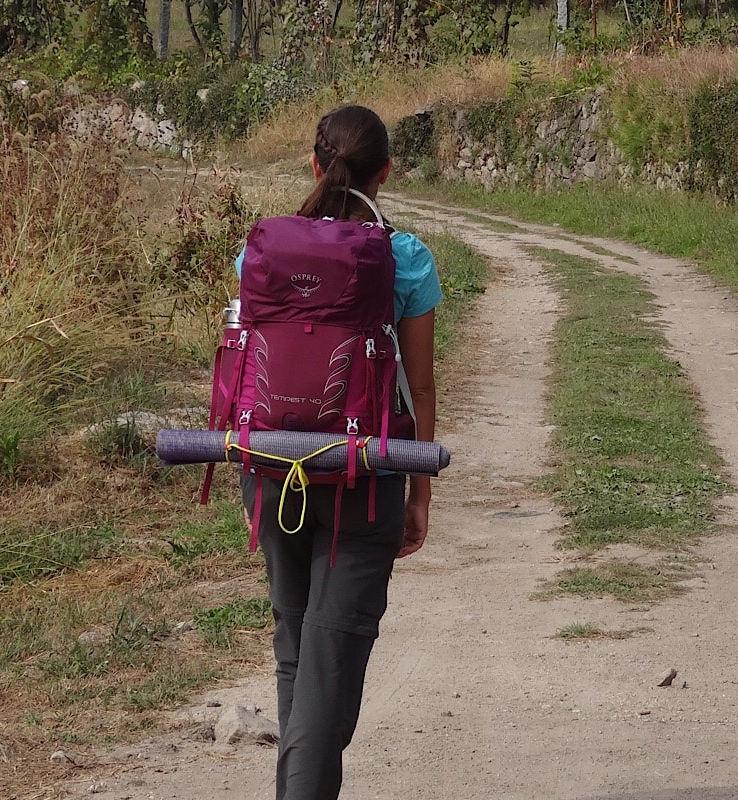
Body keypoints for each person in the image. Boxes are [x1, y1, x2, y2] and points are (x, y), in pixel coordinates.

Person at [238, 104, 442, 800]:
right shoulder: (404, 257)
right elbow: (419, 383)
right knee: (331, 657)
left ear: (314, 164)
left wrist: (251, 480)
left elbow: (249, 369)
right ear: (385, 174)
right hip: (365, 473)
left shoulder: (259, 251)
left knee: (298, 646)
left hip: (270, 469)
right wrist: (419, 495)